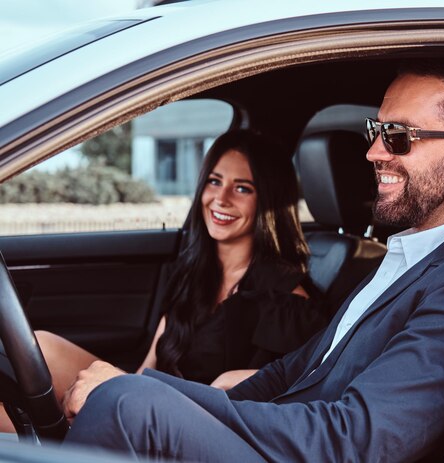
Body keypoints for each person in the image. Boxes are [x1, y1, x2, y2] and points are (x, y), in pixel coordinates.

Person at [63, 59, 444, 462]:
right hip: (298, 439)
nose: (373, 152)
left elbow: (356, 440)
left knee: (128, 405)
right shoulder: (410, 252)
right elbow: (291, 371)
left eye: (398, 138)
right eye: (376, 132)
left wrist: (146, 390)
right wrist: (175, 392)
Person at [0, 129, 328, 431]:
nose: (221, 198)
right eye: (214, 181)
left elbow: (286, 399)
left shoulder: (287, 300)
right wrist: (117, 392)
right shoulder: (194, 274)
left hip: (192, 428)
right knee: (37, 349)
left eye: (242, 188)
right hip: (149, 401)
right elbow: (147, 369)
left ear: (267, 199)